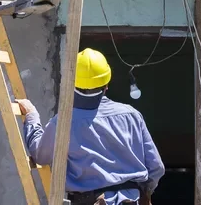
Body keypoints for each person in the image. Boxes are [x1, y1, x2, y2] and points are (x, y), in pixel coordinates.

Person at [16, 48, 164, 205]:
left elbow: (40, 155)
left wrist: (32, 117)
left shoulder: (63, 122)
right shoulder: (132, 115)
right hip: (134, 199)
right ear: (106, 84)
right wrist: (144, 193)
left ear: (70, 84)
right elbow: (156, 167)